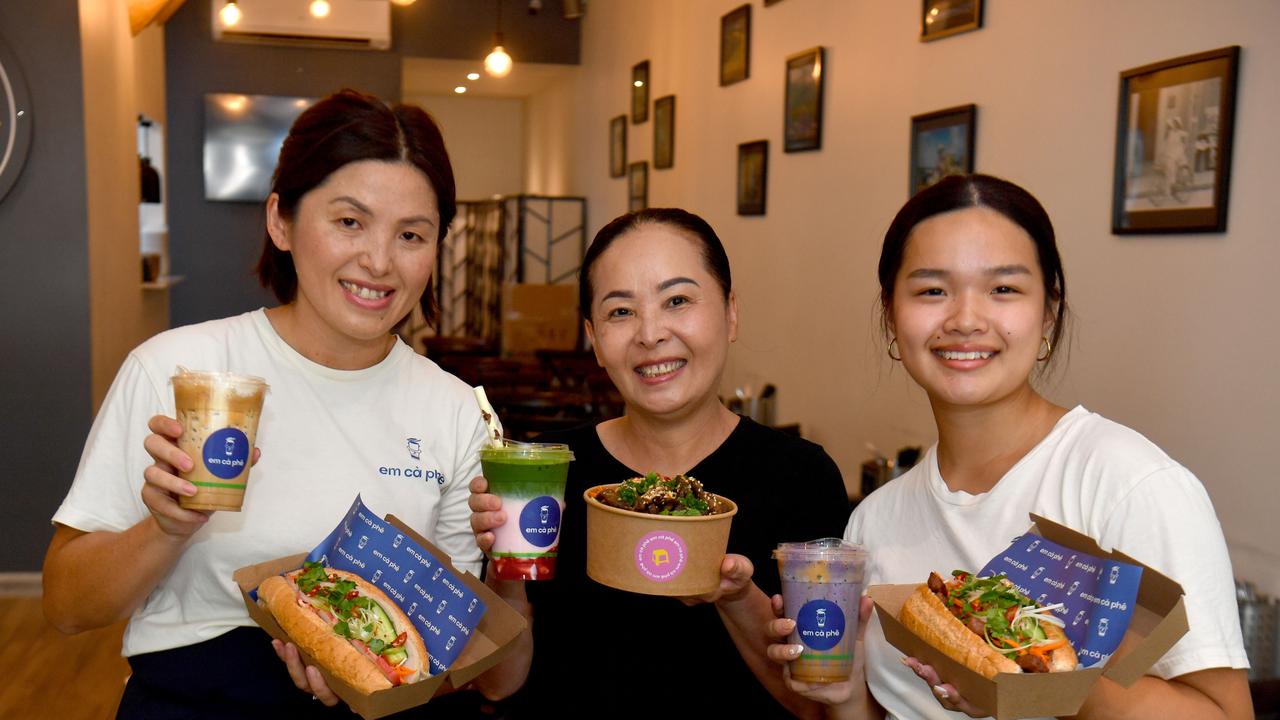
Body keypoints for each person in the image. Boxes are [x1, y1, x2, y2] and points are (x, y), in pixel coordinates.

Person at [42, 89, 489, 717]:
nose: (380, 261)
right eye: (349, 221)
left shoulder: (456, 412)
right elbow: (66, 606)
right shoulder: (178, 371)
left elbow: (451, 640)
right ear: (280, 220)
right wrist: (166, 529)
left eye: (412, 234)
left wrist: (373, 672)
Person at [764, 174, 1253, 719]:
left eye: (1003, 289)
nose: (966, 320)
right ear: (890, 318)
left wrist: (1032, 673)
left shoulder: (1126, 484)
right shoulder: (875, 522)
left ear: (1048, 314)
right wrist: (848, 693)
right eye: (931, 290)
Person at [467, 208, 851, 717]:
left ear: (731, 312)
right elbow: (498, 686)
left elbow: (813, 704)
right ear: (594, 339)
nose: (650, 334)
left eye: (677, 301)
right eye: (620, 312)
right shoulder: (547, 471)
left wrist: (735, 597)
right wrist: (504, 569)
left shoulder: (800, 477)